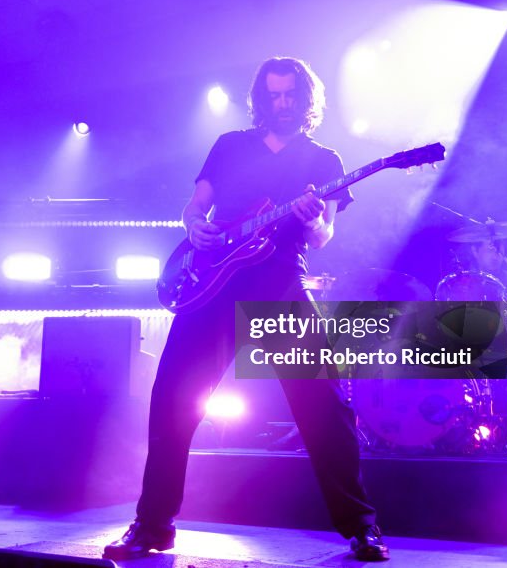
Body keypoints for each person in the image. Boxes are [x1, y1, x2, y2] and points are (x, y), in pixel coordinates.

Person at [104, 57, 388, 561]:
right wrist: (194, 225)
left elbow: (324, 237)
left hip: (278, 284)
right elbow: (196, 206)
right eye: (273, 96)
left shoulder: (324, 161)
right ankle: (151, 526)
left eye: (290, 97)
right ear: (261, 98)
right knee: (172, 401)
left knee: (326, 403)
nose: (281, 105)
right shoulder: (230, 145)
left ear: (306, 101)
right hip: (211, 282)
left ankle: (362, 527)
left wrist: (312, 219)